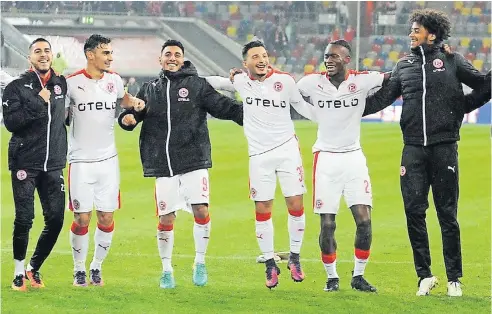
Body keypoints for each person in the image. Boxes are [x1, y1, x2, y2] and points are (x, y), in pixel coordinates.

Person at [364, 9, 490, 297]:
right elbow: (383, 98)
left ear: (431, 34)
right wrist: (347, 105)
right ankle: (424, 275)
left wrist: (460, 108)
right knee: (414, 212)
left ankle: (454, 278)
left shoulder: (452, 60)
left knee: (447, 214)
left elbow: (484, 86)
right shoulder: (403, 65)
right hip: (412, 150)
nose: (411, 34)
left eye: (416, 29)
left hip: (444, 147)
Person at [117, 39, 243, 289]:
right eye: (168, 54)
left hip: (194, 159)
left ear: (183, 59)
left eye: (177, 54)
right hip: (162, 163)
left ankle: (200, 262)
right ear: (160, 59)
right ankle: (166, 270)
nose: (172, 58)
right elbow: (134, 113)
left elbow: (223, 107)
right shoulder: (149, 88)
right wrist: (128, 119)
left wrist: (254, 113)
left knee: (201, 212)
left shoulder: (197, 85)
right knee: (166, 219)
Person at [207, 40, 316, 289]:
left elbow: (302, 107)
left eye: (265, 55)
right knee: (263, 208)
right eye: (256, 56)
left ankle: (295, 258)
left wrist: (331, 117)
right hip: (259, 157)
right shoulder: (241, 81)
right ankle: (270, 263)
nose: (262, 59)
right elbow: (215, 82)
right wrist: (187, 76)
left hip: (288, 152)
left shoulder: (285, 81)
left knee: (296, 204)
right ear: (246, 63)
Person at [295, 39, 388, 293]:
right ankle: (332, 277)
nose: (328, 60)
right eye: (326, 56)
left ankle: (358, 276)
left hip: (354, 159)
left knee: (364, 220)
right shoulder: (311, 82)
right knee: (327, 224)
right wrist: (311, 112)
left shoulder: (362, 80)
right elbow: (289, 93)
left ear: (347, 60)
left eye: (335, 56)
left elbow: (395, 76)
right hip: (325, 158)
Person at [65, 34, 144, 287]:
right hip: (79, 162)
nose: (110, 57)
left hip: (108, 162)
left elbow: (123, 99)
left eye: (111, 53)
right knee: (81, 219)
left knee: (106, 218)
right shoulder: (71, 83)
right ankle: (78, 269)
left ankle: (96, 267)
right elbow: (61, 115)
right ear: (90, 55)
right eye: (105, 53)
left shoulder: (115, 80)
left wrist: (134, 103)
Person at [2, 38, 68, 291]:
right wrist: (39, 101)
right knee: (25, 218)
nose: (43, 55)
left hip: (53, 164)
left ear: (52, 56)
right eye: (37, 51)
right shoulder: (16, 87)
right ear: (29, 57)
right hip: (25, 163)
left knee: (56, 219)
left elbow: (63, 118)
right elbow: (12, 123)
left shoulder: (60, 83)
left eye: (46, 51)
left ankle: (33, 268)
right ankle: (18, 272)